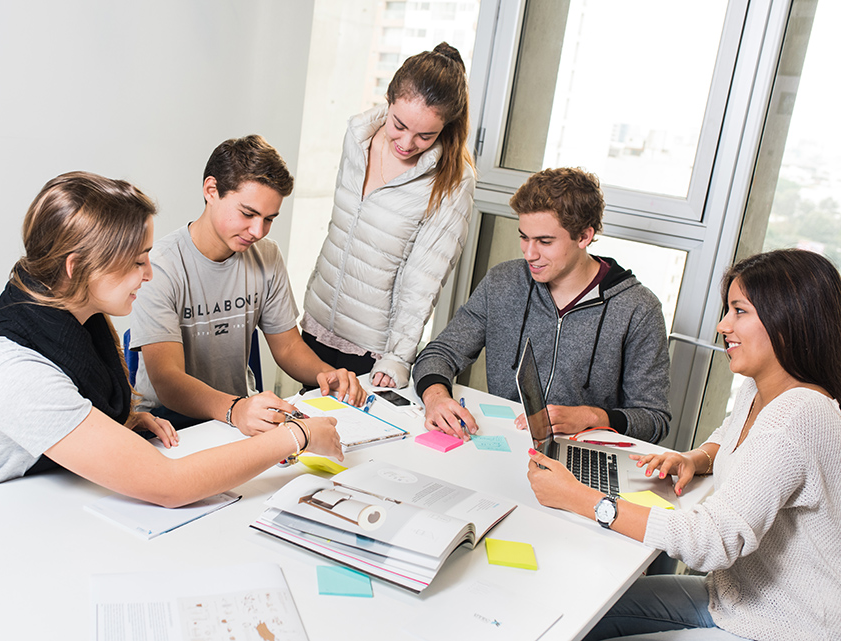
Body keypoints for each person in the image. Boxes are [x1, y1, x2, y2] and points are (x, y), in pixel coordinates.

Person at [0, 172, 342, 505]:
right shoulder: (16, 371)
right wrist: (298, 435)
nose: (148, 274)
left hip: (41, 505)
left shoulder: (64, 314)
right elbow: (171, 485)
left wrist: (113, 426)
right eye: (135, 262)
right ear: (77, 267)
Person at [528, 249, 841, 640]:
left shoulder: (798, 414)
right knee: (580, 610)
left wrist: (580, 498)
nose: (722, 325)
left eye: (739, 311)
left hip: (783, 627)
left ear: (788, 320)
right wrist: (695, 458)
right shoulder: (761, 389)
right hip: (733, 598)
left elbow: (711, 542)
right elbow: (729, 436)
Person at [412, 167, 670, 442]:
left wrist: (593, 418)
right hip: (504, 443)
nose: (529, 253)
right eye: (524, 237)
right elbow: (440, 353)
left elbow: (655, 419)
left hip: (580, 457)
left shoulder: (638, 309)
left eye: (545, 242)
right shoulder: (504, 282)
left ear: (584, 237)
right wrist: (435, 397)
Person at [129, 135, 365, 433]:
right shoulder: (160, 265)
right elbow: (167, 380)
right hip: (169, 426)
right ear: (211, 190)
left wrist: (328, 374)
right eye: (248, 213)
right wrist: (235, 410)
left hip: (238, 418)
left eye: (269, 219)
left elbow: (289, 346)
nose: (258, 231)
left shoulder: (267, 256)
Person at [301, 42, 476, 389]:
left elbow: (424, 280)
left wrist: (398, 356)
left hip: (371, 349)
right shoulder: (357, 137)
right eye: (399, 125)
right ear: (389, 98)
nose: (407, 143)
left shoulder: (452, 180)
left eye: (426, 135)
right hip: (318, 322)